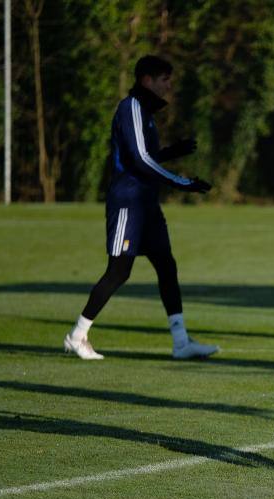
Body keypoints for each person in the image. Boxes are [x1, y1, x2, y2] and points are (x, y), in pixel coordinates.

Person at [63, 55, 218, 361]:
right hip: (128, 203)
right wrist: (181, 182)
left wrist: (171, 152)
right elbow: (138, 160)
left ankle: (181, 341)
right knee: (119, 271)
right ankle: (77, 336)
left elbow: (147, 156)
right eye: (164, 79)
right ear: (147, 80)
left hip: (146, 204)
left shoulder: (145, 112)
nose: (169, 85)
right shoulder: (131, 107)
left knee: (166, 265)